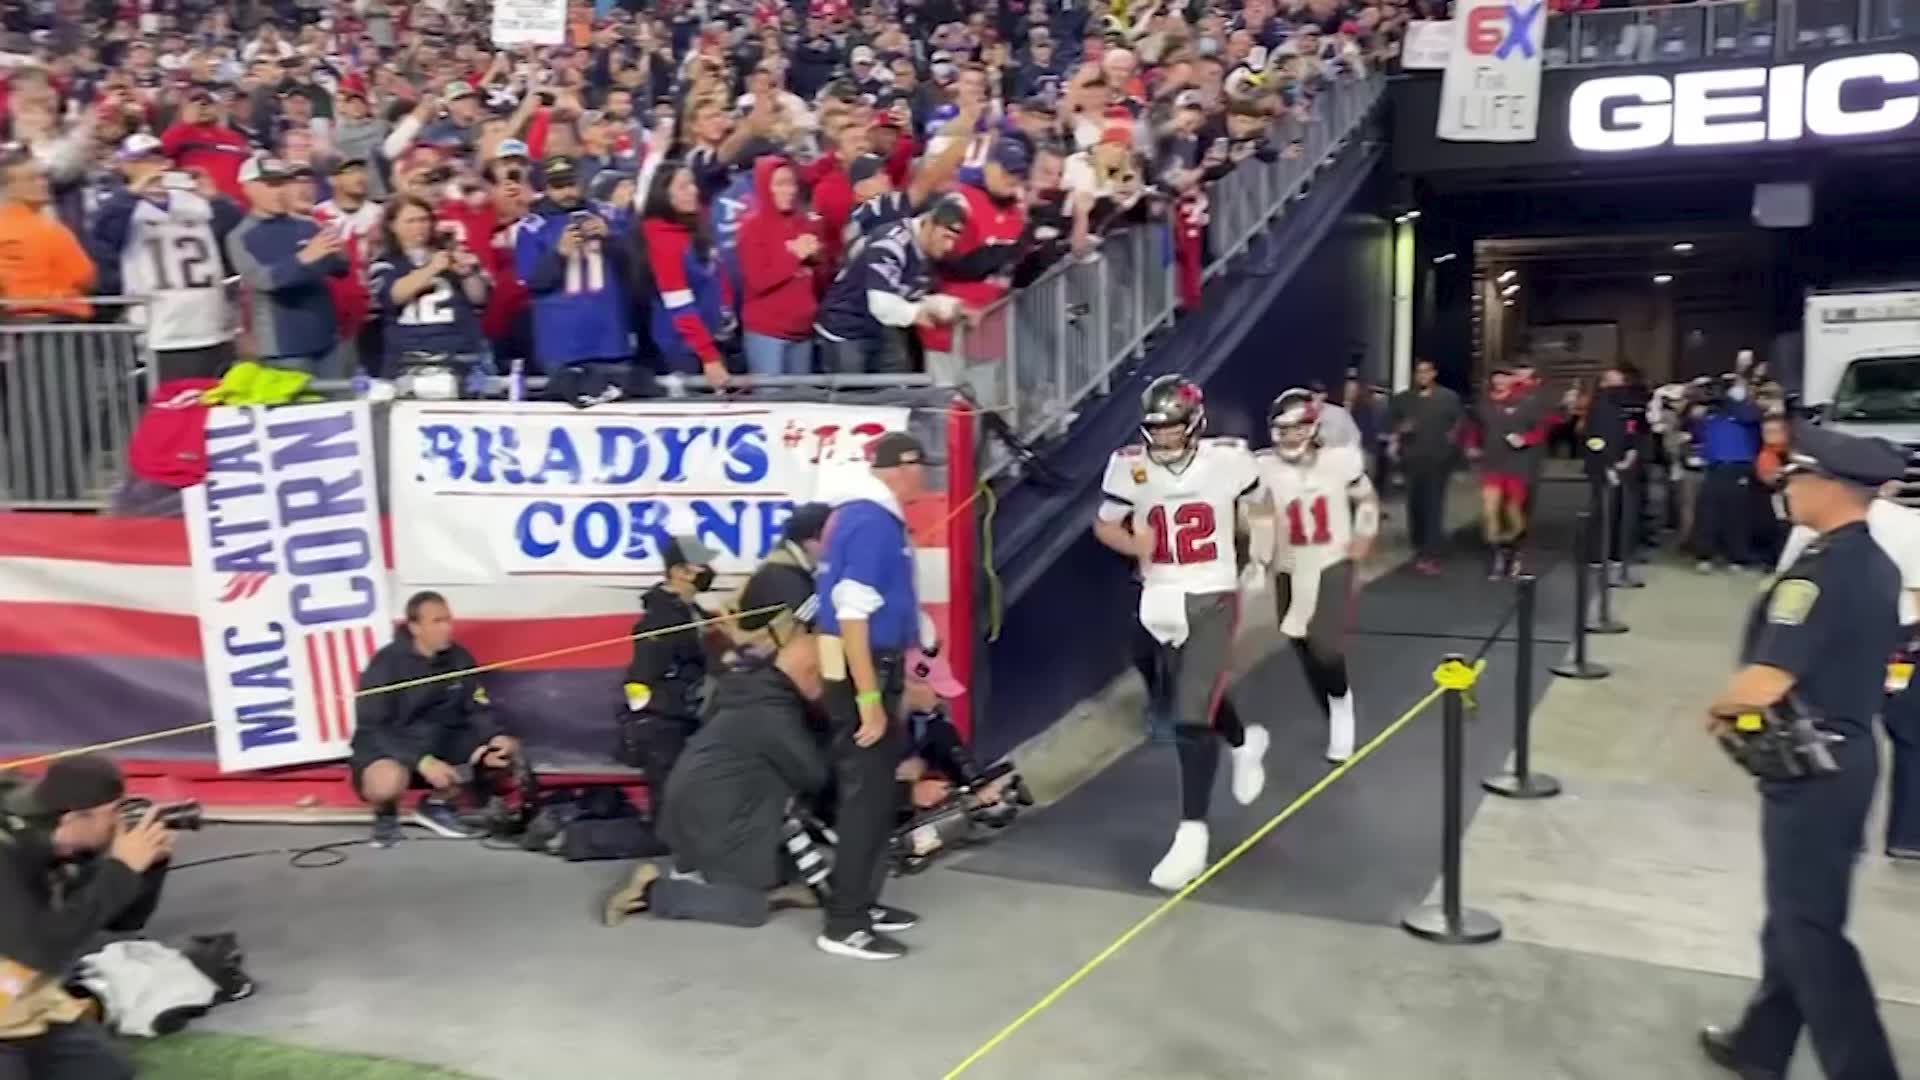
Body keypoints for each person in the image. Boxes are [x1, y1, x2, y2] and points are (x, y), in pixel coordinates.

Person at [1699, 423, 1907, 1080]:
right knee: (1795, 913)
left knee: (1810, 929)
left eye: (1795, 478)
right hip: (1845, 759)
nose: (1787, 489)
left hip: (1814, 769)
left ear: (1827, 486)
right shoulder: (1875, 563)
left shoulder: (1818, 576)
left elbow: (1767, 681)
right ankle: (1761, 1045)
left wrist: (1719, 707)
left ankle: (1865, 1069)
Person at [1093, 375, 1269, 892]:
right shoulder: (1130, 465)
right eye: (1157, 429)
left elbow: (1260, 507)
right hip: (1158, 594)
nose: (1164, 438)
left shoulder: (1230, 460)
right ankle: (1244, 741)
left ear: (1194, 422)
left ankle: (1192, 834)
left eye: (1173, 428)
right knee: (1186, 685)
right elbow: (1104, 523)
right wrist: (1133, 545)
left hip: (1212, 592)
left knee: (1190, 715)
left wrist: (1259, 554)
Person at [600, 565, 828, 931]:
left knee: (770, 833)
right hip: (707, 815)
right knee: (746, 910)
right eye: (815, 670)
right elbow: (814, 774)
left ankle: (764, 885)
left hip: (710, 808)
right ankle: (650, 890)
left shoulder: (755, 683)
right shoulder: (767, 706)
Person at [812, 432, 938, 959]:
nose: (925, 474)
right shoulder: (870, 521)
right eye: (919, 464)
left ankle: (862, 901)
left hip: (872, 669)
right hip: (863, 674)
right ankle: (845, 922)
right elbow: (851, 615)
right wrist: (868, 698)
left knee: (879, 792)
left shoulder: (872, 519)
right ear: (896, 468)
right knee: (866, 798)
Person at [0, 755, 172, 1080]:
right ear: (73, 818)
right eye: (113, 814)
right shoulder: (7, 856)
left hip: (27, 1005)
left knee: (108, 1072)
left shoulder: (60, 844)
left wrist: (147, 869)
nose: (119, 824)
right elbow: (39, 950)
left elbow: (121, 921)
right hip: (12, 1002)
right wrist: (121, 870)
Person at [1777, 479, 1920, 862]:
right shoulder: (1912, 523)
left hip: (1829, 644)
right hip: (1897, 643)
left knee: (1836, 727)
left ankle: (1843, 830)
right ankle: (1908, 835)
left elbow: (1786, 584)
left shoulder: (1813, 525)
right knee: (1909, 735)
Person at [1249, 388, 1379, 763]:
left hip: (1330, 559)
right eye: (1283, 429)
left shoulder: (1339, 460)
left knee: (1325, 645)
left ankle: (1341, 707)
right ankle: (1332, 699)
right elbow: (1258, 515)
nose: (1290, 436)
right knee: (1300, 642)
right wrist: (1258, 555)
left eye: (1298, 427)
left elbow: (1366, 500)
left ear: (1313, 427)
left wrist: (1363, 537)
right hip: (1288, 565)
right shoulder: (1262, 467)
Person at [351, 591, 523, 847]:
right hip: (393, 745)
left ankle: (438, 804)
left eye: (448, 620)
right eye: (437, 622)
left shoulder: (460, 658)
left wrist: (493, 737)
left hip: (440, 740)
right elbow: (374, 727)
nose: (447, 628)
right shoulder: (385, 664)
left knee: (505, 752)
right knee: (387, 782)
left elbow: (476, 707)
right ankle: (386, 814)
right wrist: (422, 762)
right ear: (415, 627)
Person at [91, 134, 241, 382]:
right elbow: (104, 236)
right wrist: (135, 190)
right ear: (126, 166)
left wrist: (216, 198)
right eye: (142, 160)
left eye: (157, 157)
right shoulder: (121, 206)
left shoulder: (193, 200)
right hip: (163, 330)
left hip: (212, 324)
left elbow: (234, 234)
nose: (153, 165)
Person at [224, 154, 350, 375]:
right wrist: (306, 257)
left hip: (326, 338)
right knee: (298, 409)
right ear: (248, 188)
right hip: (284, 346)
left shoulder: (308, 225)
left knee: (340, 403)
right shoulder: (241, 236)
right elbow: (264, 280)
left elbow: (340, 270)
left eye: (282, 183)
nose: (279, 191)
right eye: (271, 184)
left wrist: (339, 253)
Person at [620, 537, 719, 783]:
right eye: (701, 565)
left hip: (689, 722)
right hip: (666, 731)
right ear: (679, 572)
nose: (708, 571)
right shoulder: (659, 619)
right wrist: (648, 723)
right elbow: (639, 679)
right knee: (668, 808)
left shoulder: (690, 611)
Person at [366, 196, 492, 379]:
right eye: (411, 221)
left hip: (458, 353)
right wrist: (432, 268)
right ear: (393, 225)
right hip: (408, 358)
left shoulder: (451, 254)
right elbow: (393, 296)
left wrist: (469, 273)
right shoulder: (384, 263)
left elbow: (479, 298)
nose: (419, 226)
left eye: (424, 219)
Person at [1468, 367, 1548, 580]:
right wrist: (1472, 446)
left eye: (1504, 378)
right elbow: (1473, 429)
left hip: (1517, 466)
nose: (1500, 382)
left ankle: (1515, 552)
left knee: (1514, 512)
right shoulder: (1483, 405)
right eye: (1496, 378)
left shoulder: (1527, 403)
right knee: (1490, 510)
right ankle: (1497, 555)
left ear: (1512, 381)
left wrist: (1525, 440)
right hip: (1492, 465)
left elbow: (1540, 430)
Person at [1390, 359, 1464, 576]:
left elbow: (1459, 424)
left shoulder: (1448, 398)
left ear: (1434, 373)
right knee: (1415, 505)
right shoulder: (1403, 399)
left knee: (1434, 505)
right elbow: (1392, 424)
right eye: (1418, 372)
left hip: (1438, 460)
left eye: (1426, 372)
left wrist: (1452, 443)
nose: (1422, 376)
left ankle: (1431, 553)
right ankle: (1419, 546)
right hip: (1412, 460)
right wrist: (1401, 430)